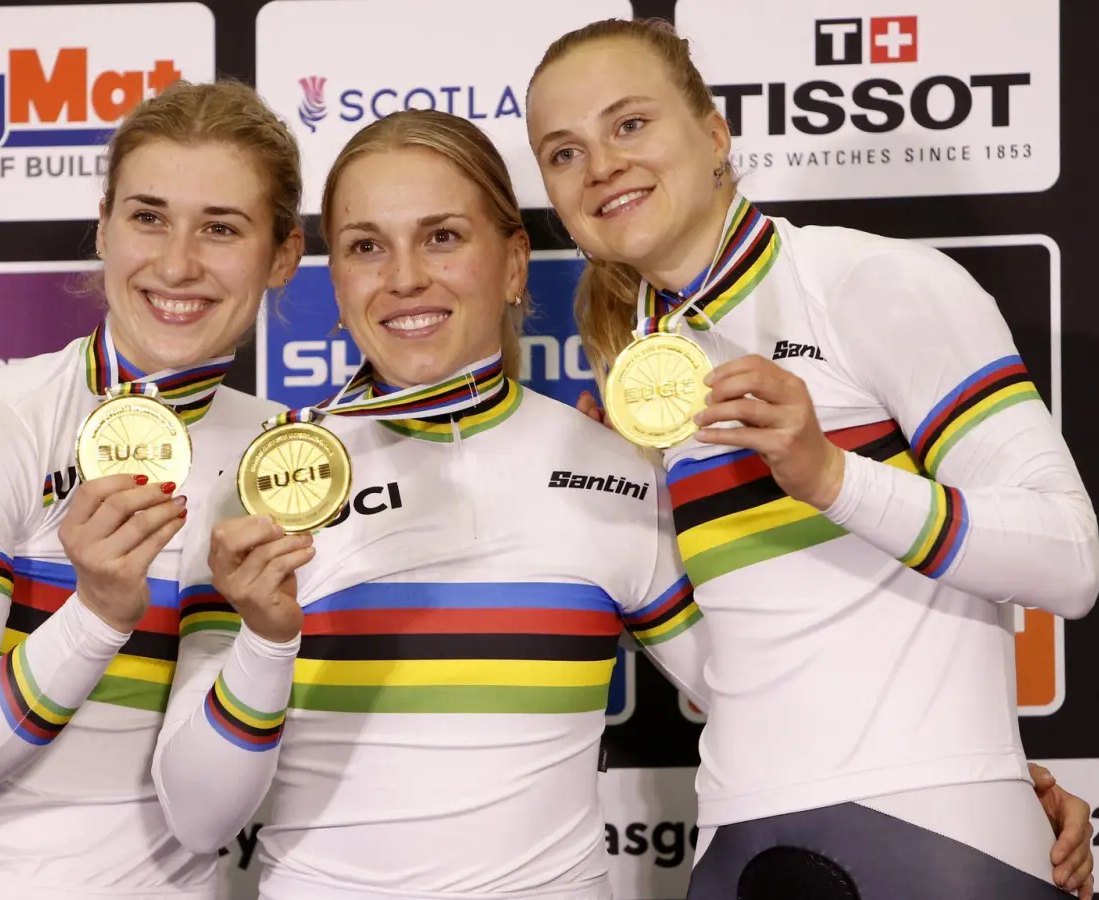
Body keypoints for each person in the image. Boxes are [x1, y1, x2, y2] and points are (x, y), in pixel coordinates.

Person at [524, 17, 1099, 900]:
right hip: (731, 838)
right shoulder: (642, 372)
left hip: (933, 832)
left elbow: (1071, 560)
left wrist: (830, 475)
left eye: (629, 124)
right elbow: (745, 659)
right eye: (563, 152)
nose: (600, 164)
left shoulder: (866, 283)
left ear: (714, 133)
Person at [151, 108, 713, 900]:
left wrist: (712, 482)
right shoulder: (266, 483)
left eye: (442, 236)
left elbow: (741, 696)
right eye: (367, 246)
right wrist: (268, 642)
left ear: (514, 263)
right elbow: (199, 819)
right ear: (337, 284)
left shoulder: (613, 466)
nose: (405, 277)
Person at [0, 79, 303, 900]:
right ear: (102, 227)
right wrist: (95, 617)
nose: (177, 263)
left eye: (220, 228)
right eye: (148, 217)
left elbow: (205, 820)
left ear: (282, 254)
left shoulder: (281, 456)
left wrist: (270, 642)